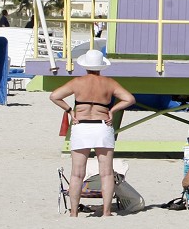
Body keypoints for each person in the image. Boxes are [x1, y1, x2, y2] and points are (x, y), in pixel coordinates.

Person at [48, 50, 135, 217]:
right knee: (107, 172)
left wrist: (69, 111)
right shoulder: (109, 83)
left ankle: (74, 212)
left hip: (82, 126)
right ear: (101, 67)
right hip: (102, 126)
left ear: (85, 66)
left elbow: (55, 96)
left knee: (77, 173)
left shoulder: (77, 82)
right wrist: (113, 110)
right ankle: (107, 212)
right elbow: (129, 99)